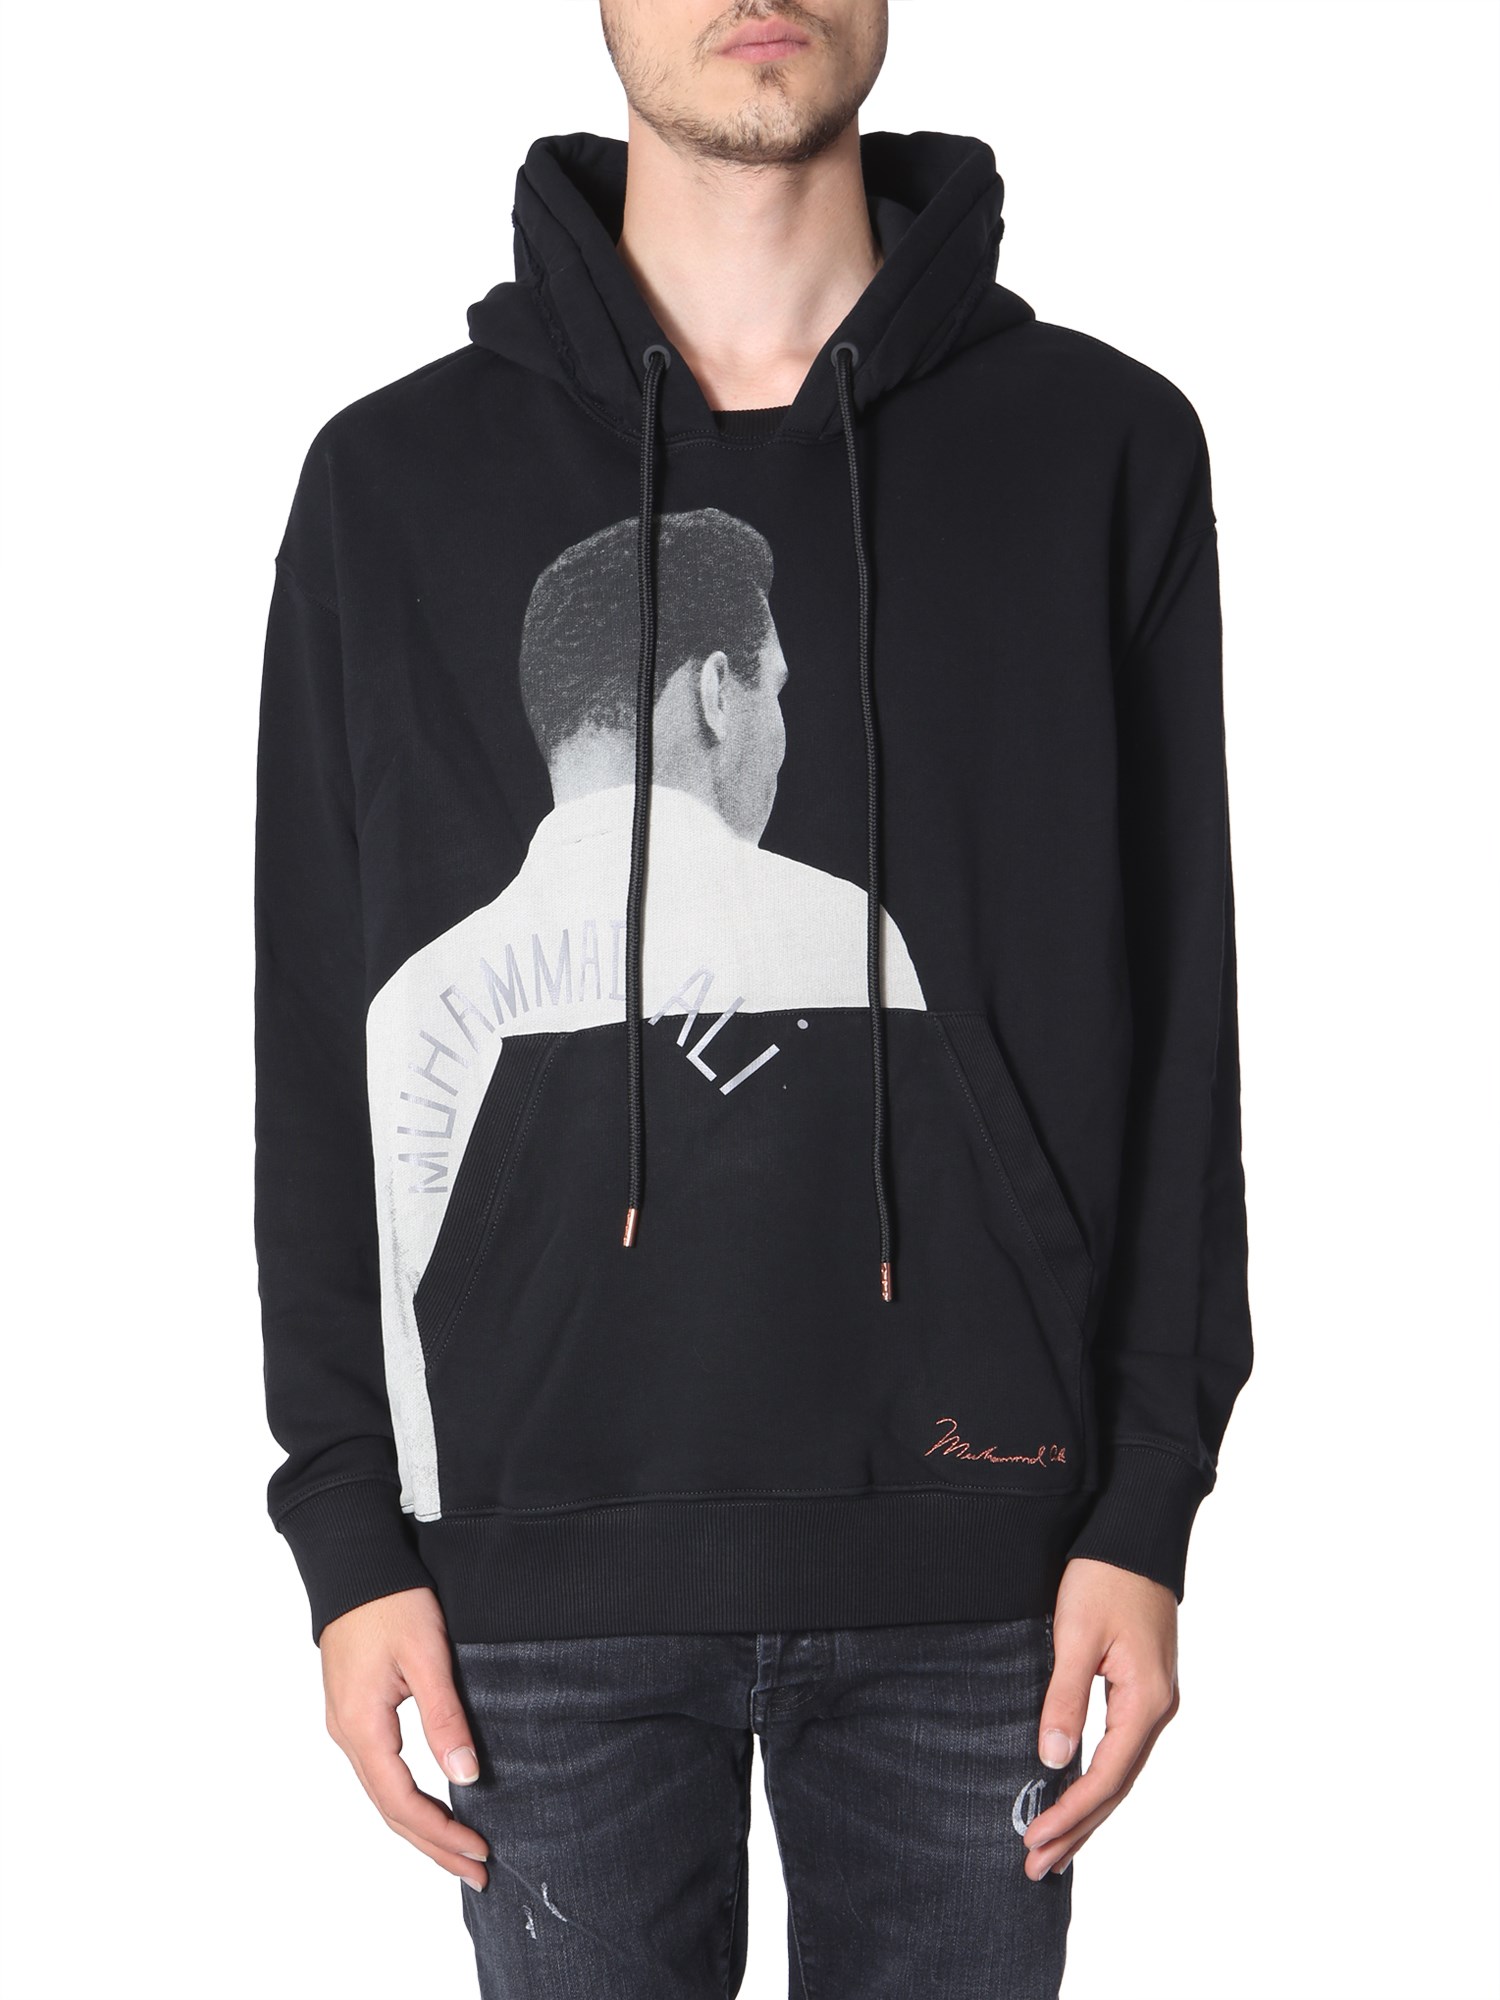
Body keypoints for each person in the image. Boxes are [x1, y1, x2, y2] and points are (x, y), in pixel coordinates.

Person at [252, 3, 1254, 1994]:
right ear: (719, 691)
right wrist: (350, 1540)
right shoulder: (388, 485)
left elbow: (1179, 1028)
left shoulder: (1103, 450)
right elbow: (303, 1061)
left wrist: (1146, 1503)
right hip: (529, 1608)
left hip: (990, 1582)